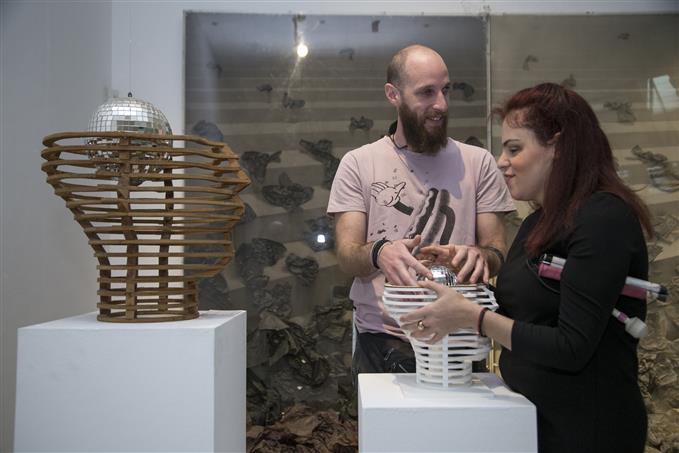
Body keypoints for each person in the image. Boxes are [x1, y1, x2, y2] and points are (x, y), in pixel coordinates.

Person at [401, 82, 651, 453]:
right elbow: (524, 312)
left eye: (514, 149)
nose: (502, 161)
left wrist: (473, 317)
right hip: (535, 421)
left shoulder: (602, 218)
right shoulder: (539, 222)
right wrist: (466, 269)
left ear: (558, 147)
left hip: (588, 429)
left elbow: (571, 346)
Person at [326, 45, 514, 380]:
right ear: (393, 94)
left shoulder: (479, 163)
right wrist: (380, 252)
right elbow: (347, 256)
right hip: (384, 339)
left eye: (446, 90)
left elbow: (497, 251)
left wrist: (479, 256)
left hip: (460, 338)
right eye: (426, 92)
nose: (441, 104)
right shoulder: (359, 163)